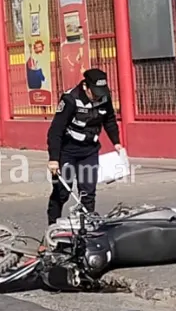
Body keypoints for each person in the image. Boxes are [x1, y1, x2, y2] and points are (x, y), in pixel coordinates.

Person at [46, 68, 123, 225]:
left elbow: (109, 120)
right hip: (67, 152)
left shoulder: (104, 97)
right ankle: (51, 231)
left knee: (87, 193)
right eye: (94, 92)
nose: (97, 96)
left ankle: (85, 231)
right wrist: (54, 159)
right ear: (85, 87)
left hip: (89, 151)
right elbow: (56, 130)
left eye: (100, 92)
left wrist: (116, 143)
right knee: (62, 193)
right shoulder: (70, 99)